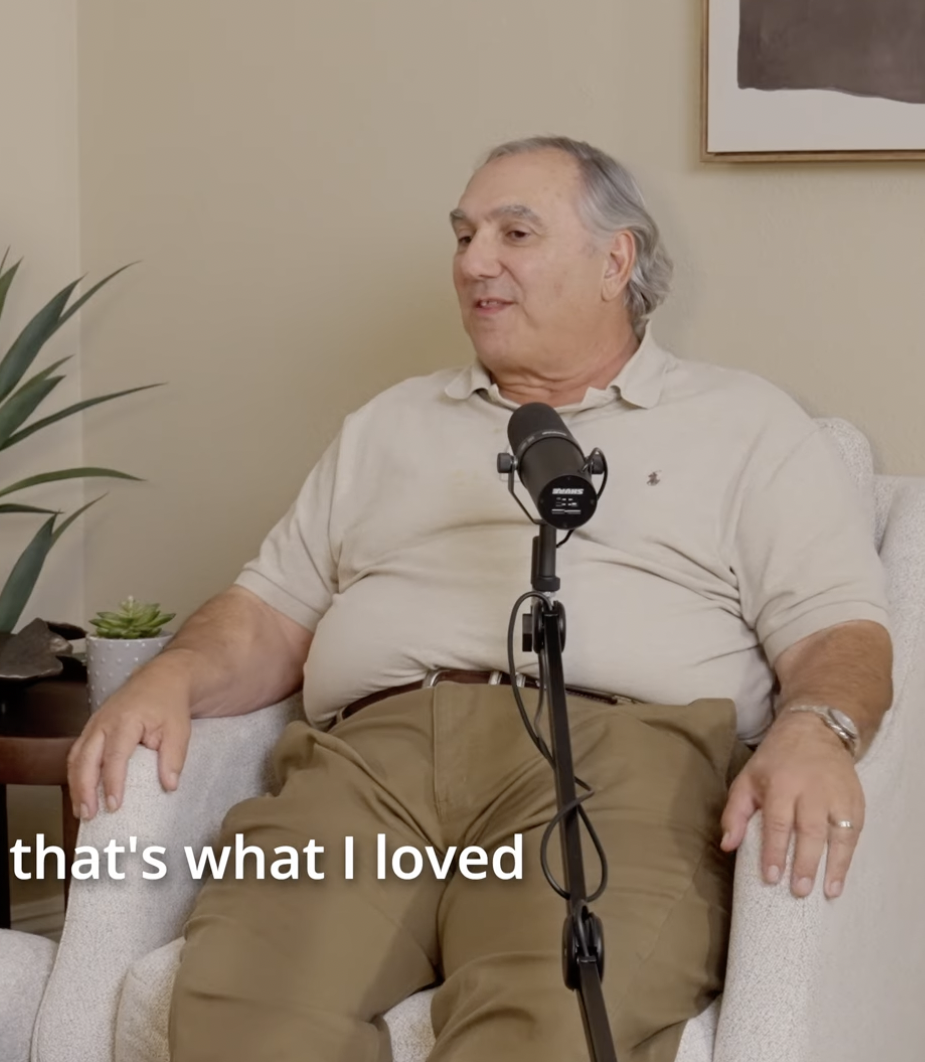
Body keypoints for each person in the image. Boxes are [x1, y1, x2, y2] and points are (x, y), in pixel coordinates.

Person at [66, 137, 891, 1061]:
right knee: (243, 1012)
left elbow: (839, 631)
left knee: (545, 1028)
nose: (473, 262)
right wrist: (175, 672)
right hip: (369, 766)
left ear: (615, 260)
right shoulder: (391, 424)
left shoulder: (744, 423)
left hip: (619, 763)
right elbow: (269, 610)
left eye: (514, 233)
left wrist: (818, 727)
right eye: (463, 236)